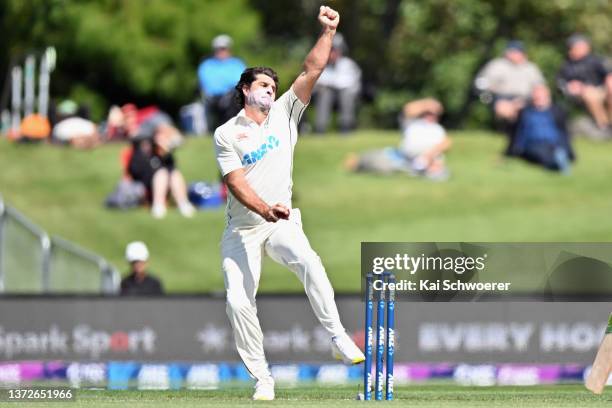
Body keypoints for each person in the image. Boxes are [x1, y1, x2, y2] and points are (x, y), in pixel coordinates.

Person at [213, 6, 363, 401]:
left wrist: (328, 33)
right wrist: (264, 209)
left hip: (280, 222)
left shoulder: (285, 113)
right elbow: (236, 184)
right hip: (243, 228)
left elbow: (312, 69)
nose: (269, 90)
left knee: (309, 260)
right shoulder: (226, 134)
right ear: (245, 89)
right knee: (237, 301)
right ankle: (263, 378)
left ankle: (337, 336)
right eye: (262, 84)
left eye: (272, 85)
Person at [344, 98, 452, 180]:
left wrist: (428, 156)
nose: (430, 116)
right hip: (396, 156)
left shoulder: (438, 129)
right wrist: (427, 104)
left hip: (413, 163)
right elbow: (408, 109)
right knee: (369, 159)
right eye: (428, 113)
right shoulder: (413, 123)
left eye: (433, 114)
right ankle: (355, 162)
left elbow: (447, 143)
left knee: (382, 167)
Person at [122, 104, 196, 219]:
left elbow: (176, 143)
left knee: (174, 174)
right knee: (162, 173)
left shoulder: (166, 141)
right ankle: (158, 205)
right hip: (144, 171)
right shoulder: (145, 134)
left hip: (163, 170)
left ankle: (183, 204)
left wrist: (167, 145)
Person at [507, 84, 575, 173]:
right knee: (542, 153)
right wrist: (511, 151)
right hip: (534, 144)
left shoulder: (557, 111)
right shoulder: (526, 112)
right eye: (537, 97)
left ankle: (559, 161)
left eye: (542, 97)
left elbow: (564, 133)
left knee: (560, 150)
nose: (539, 99)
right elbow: (517, 133)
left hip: (554, 143)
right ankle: (556, 164)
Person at [475, 40, 545, 125]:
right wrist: (492, 99)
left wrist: (529, 101)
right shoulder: (497, 65)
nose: (513, 54)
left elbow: (540, 88)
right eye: (511, 51)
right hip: (501, 98)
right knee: (504, 109)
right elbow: (482, 85)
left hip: (526, 100)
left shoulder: (531, 68)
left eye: (516, 52)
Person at [557, 34, 612, 132]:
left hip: (600, 90)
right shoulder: (566, 65)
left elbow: (608, 74)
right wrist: (569, 87)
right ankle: (604, 125)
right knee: (589, 93)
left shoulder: (595, 60)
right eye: (580, 46)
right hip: (582, 95)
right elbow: (560, 83)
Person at [313, 33, 361, 133]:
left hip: (345, 95)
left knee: (346, 94)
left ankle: (346, 125)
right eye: (329, 50)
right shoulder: (321, 64)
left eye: (334, 50)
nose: (332, 54)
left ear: (340, 51)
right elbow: (317, 82)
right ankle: (320, 127)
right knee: (324, 93)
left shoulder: (348, 64)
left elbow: (352, 83)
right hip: (327, 94)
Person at [197, 34, 246, 132]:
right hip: (213, 98)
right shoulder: (207, 65)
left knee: (235, 96)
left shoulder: (237, 64)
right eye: (219, 49)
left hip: (232, 97)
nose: (221, 51)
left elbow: (241, 81)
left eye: (224, 48)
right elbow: (206, 84)